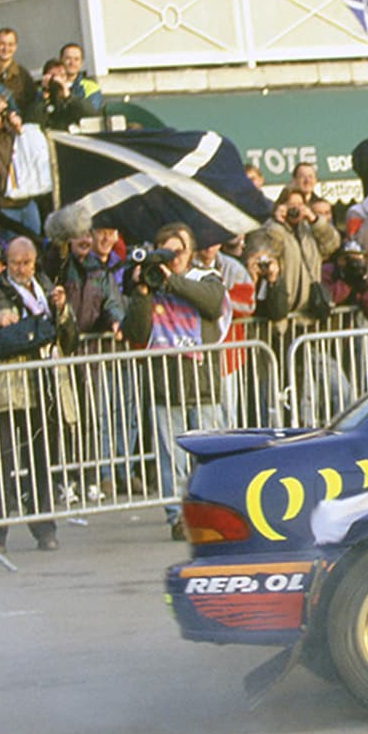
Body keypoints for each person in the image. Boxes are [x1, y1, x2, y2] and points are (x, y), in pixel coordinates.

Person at [0, 237, 74, 552]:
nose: (21, 268)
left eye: (27, 262)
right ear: (6, 262)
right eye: (15, 262)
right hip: (0, 389)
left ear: (35, 261)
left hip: (40, 386)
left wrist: (62, 309)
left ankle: (44, 528)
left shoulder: (44, 286)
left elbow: (69, 336)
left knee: (41, 461)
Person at [119, 224, 225, 537]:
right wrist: (141, 292)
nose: (172, 258)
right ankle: (178, 517)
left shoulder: (205, 278)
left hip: (201, 383)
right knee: (171, 458)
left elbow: (211, 303)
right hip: (165, 384)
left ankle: (210, 512)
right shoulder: (150, 286)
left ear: (190, 252)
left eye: (177, 251)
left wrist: (172, 281)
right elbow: (135, 332)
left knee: (208, 455)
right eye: (164, 252)